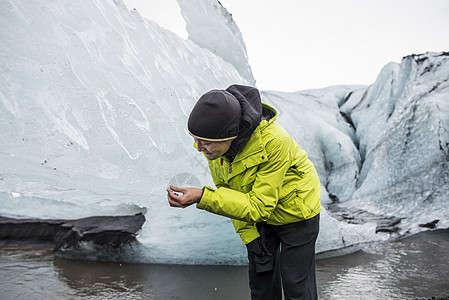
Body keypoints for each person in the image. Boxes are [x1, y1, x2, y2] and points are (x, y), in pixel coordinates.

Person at [167, 84, 321, 300]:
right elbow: (229, 193)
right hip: (258, 213)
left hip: (297, 210)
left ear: (230, 135)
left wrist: (202, 196)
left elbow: (259, 206)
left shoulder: (276, 142)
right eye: (195, 139)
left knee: (296, 287)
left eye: (205, 142)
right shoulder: (215, 148)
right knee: (261, 286)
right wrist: (250, 238)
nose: (199, 148)